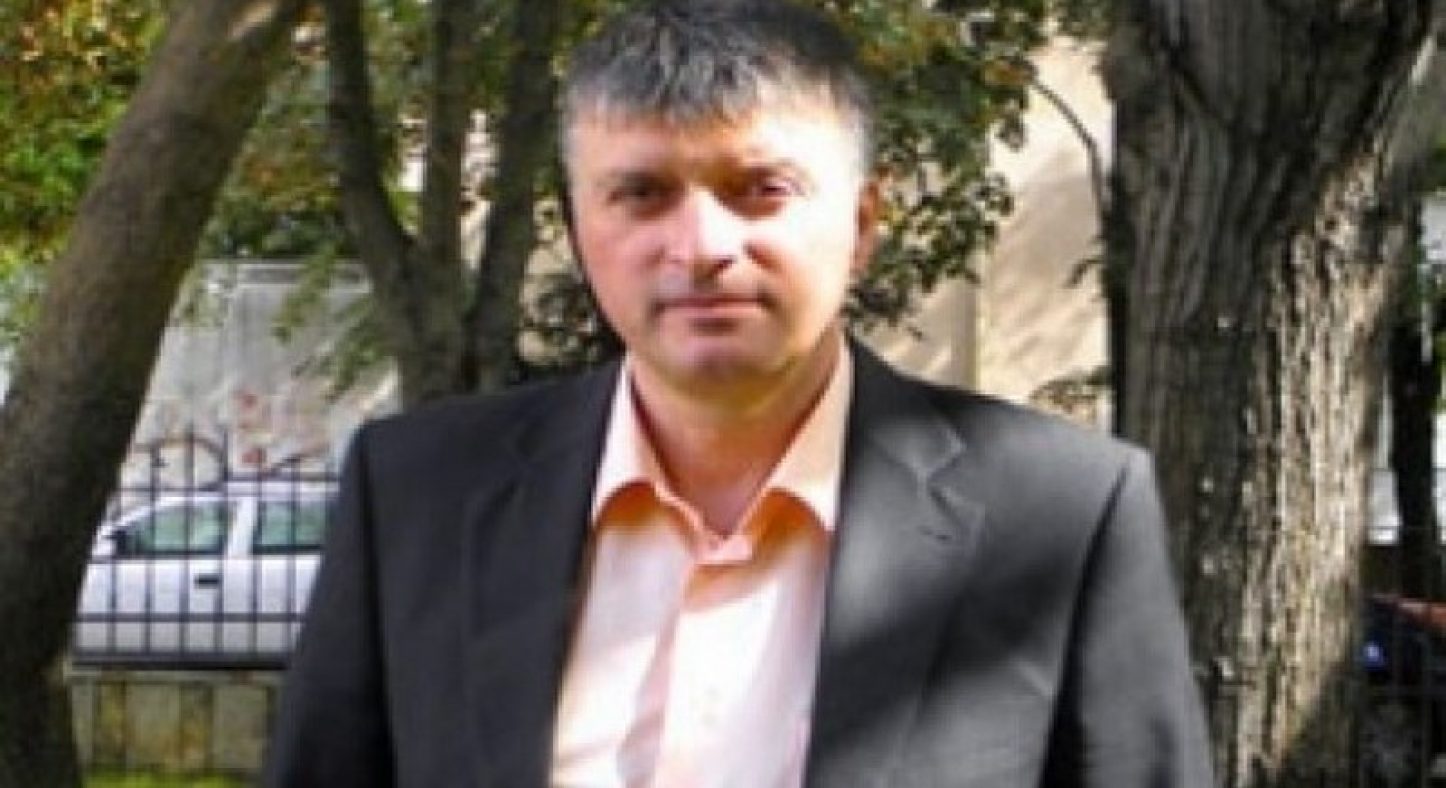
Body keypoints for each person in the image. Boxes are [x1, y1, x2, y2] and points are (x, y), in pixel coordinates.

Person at [264, 0, 1213, 785]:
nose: (702, 247)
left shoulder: (1061, 515)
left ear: (864, 221)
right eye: (642, 193)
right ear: (580, 222)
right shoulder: (421, 495)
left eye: (759, 189)